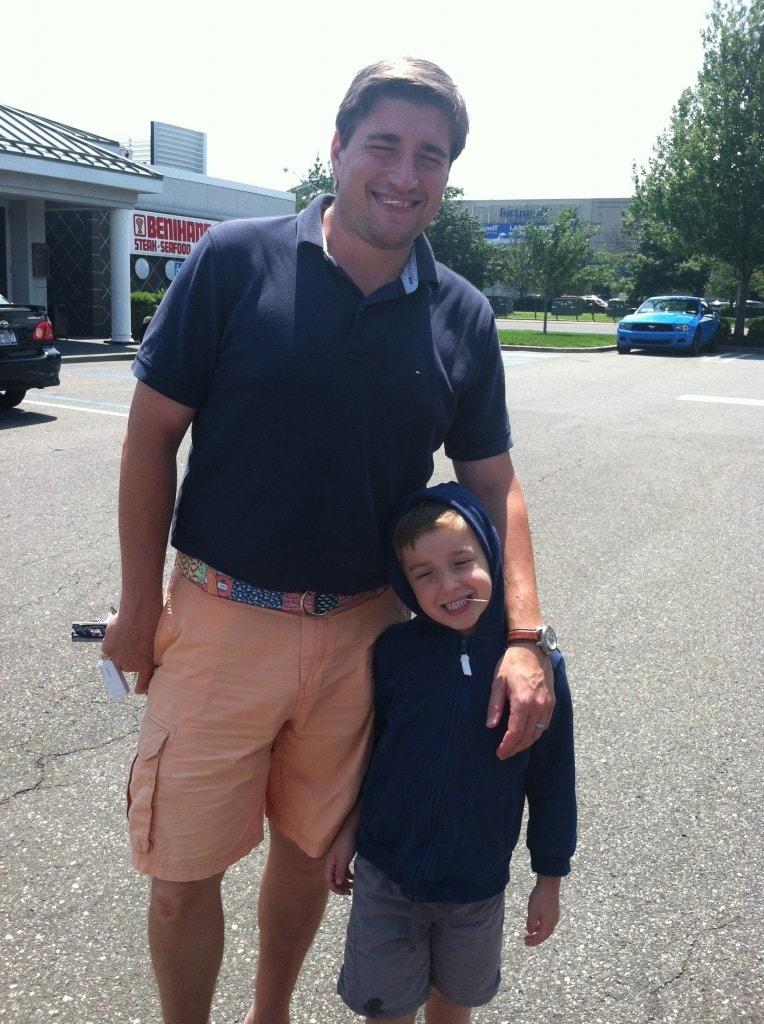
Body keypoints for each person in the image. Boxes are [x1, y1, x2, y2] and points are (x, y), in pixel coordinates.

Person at [103, 56, 557, 1024]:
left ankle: (269, 1013)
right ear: (339, 147)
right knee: (180, 876)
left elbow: (495, 483)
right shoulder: (234, 261)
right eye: (384, 145)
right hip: (221, 617)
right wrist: (139, 603)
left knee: (310, 857)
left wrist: (523, 636)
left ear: (447, 175)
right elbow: (150, 438)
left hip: (366, 633)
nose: (404, 173)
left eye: (430, 156)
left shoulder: (461, 314)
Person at [326, 482, 577, 1023]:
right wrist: (349, 827)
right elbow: (375, 753)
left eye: (462, 562)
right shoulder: (394, 652)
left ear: (493, 555)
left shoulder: (536, 671)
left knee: (454, 1003)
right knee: (385, 1008)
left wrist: (549, 878)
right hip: (386, 874)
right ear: (403, 581)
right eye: (424, 574)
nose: (449, 585)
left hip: (475, 884)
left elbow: (553, 780)